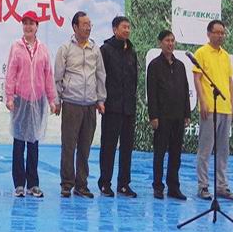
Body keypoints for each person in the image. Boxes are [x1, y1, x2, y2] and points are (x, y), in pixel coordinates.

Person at [4, 10, 57, 198]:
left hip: (38, 101)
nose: (28, 27)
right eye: (25, 23)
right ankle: (19, 184)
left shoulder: (43, 49)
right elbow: (11, 73)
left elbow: (48, 75)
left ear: (37, 26)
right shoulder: (16, 47)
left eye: (31, 23)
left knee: (33, 142)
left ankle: (33, 184)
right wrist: (9, 97)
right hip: (21, 100)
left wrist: (52, 100)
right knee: (19, 142)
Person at [54, 11, 106, 198]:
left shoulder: (95, 49)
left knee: (85, 147)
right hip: (71, 103)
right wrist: (57, 101)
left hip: (90, 104)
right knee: (69, 146)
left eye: (89, 24)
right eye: (84, 24)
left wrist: (101, 99)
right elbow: (57, 77)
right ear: (75, 27)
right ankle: (67, 184)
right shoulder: (65, 49)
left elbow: (100, 75)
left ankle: (81, 185)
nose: (88, 28)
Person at [193, 20, 233, 201]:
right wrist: (203, 101)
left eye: (222, 33)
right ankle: (203, 186)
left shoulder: (225, 55)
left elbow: (229, 82)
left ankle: (222, 186)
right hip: (209, 108)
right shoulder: (201, 53)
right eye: (216, 32)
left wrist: (232, 105)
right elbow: (197, 79)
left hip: (225, 108)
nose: (220, 36)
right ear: (208, 33)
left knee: (223, 150)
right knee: (205, 149)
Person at [146, 30, 191, 200]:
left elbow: (185, 90)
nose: (170, 43)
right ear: (160, 43)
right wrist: (153, 116)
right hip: (162, 117)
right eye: (167, 40)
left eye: (172, 40)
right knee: (160, 153)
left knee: (176, 154)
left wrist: (187, 113)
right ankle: (158, 186)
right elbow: (152, 93)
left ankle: (173, 187)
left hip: (178, 116)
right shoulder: (154, 65)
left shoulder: (180, 65)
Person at [98, 16, 139, 197]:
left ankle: (123, 184)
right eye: (124, 27)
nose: (127, 30)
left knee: (127, 148)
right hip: (111, 107)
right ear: (115, 29)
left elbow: (134, 78)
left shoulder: (131, 50)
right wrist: (102, 100)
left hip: (128, 107)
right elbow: (101, 78)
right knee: (108, 147)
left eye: (129, 27)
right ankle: (105, 183)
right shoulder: (105, 50)